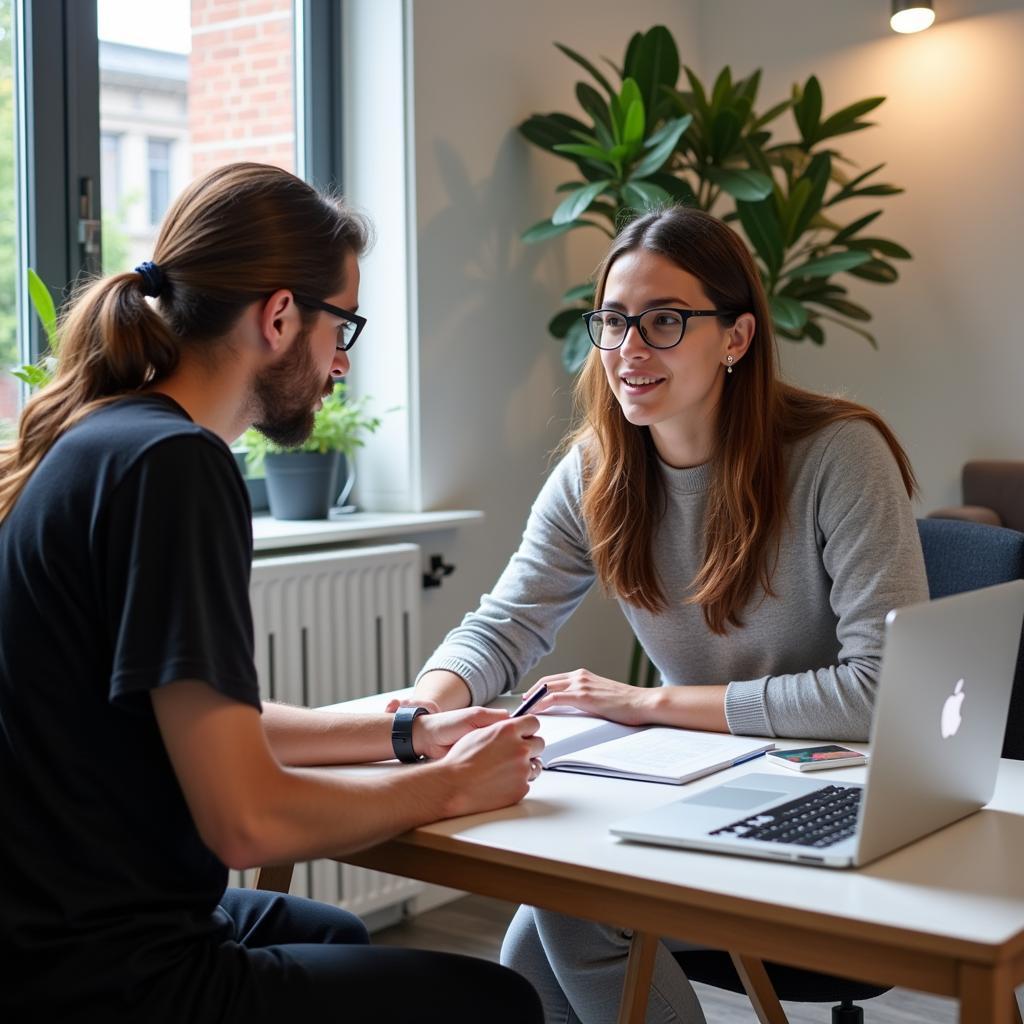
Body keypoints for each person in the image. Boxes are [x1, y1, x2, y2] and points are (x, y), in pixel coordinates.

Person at [0, 162, 545, 1024]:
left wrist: (413, 731)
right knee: (502, 1004)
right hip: (105, 972)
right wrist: (452, 787)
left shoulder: (103, 439)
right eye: (343, 327)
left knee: (332, 936)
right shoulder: (176, 468)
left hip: (45, 932)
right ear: (280, 315)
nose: (340, 364)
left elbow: (210, 726)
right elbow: (245, 821)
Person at [391, 206, 929, 1022]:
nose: (628, 350)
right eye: (611, 321)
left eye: (664, 321)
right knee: (533, 941)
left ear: (737, 337)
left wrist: (644, 703)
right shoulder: (598, 471)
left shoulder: (836, 456)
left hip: (838, 798)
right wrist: (422, 714)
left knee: (560, 918)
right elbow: (507, 620)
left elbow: (884, 690)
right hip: (713, 789)